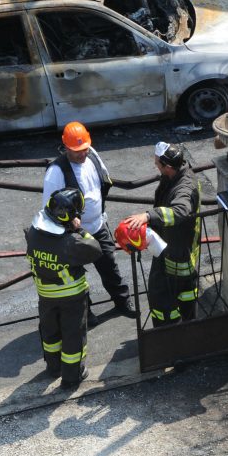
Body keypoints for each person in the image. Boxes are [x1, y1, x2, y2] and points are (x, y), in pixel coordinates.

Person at [41, 121, 135, 318]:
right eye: (77, 151)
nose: (82, 154)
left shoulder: (91, 155)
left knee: (109, 265)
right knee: (77, 274)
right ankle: (86, 313)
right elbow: (49, 209)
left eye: (84, 149)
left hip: (98, 225)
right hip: (72, 234)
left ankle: (122, 301)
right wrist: (68, 223)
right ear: (66, 147)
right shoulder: (56, 172)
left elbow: (104, 180)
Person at [25, 187, 102, 390]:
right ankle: (72, 377)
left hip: (45, 296)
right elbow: (95, 249)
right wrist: (78, 229)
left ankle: (53, 367)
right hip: (72, 297)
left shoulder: (33, 232)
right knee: (73, 336)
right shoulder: (71, 241)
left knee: (51, 333)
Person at [124, 142, 200, 326]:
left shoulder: (184, 187)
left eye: (157, 162)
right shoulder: (174, 174)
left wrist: (148, 216)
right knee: (186, 295)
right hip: (175, 247)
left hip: (176, 253)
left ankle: (168, 333)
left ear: (167, 166)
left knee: (162, 299)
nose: (155, 164)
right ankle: (189, 327)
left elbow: (181, 210)